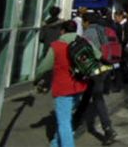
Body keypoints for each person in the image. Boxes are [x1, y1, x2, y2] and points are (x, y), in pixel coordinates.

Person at [35, 20, 89, 147]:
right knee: (66, 118)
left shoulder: (57, 46)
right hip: (80, 85)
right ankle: (55, 143)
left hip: (63, 88)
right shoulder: (84, 43)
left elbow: (44, 66)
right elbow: (97, 56)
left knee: (64, 122)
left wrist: (36, 77)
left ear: (62, 31)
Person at [73, 12, 117, 145]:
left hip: (95, 69)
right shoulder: (103, 30)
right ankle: (76, 120)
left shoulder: (89, 34)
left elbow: (85, 53)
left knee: (97, 98)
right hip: (105, 67)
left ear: (87, 22)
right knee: (88, 95)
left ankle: (108, 129)